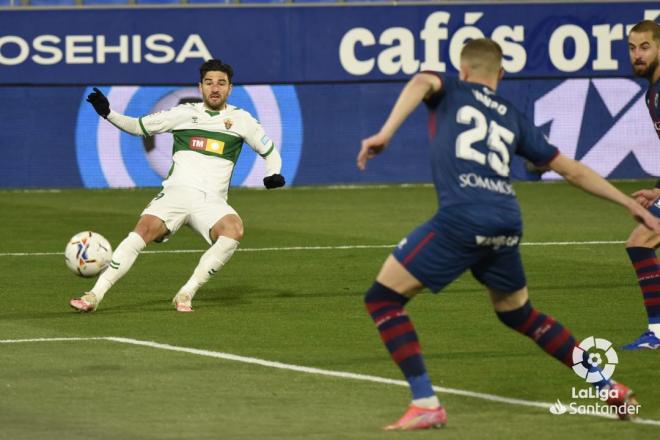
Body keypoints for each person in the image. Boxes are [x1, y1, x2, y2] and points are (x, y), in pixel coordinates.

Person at [357, 39, 660, 430]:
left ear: (463, 70)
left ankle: (425, 402)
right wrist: (628, 204)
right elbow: (570, 168)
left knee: (382, 300)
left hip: (463, 218)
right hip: (507, 222)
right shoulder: (511, 115)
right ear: (500, 74)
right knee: (521, 314)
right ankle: (606, 384)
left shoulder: (450, 87)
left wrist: (384, 134)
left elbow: (420, 80)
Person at [70, 59, 285, 313]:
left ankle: (186, 293)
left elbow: (270, 152)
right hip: (176, 193)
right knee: (141, 232)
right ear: (200, 86)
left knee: (234, 230)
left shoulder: (241, 120)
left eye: (221, 83)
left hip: (211, 200)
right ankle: (94, 295)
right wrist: (108, 114)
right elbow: (139, 127)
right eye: (209, 83)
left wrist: (273, 173)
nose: (214, 88)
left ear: (230, 88)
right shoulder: (183, 114)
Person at [620, 20, 660, 350]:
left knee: (640, 240)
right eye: (632, 48)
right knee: (640, 240)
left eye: (645, 47)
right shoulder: (653, 93)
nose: (637, 54)